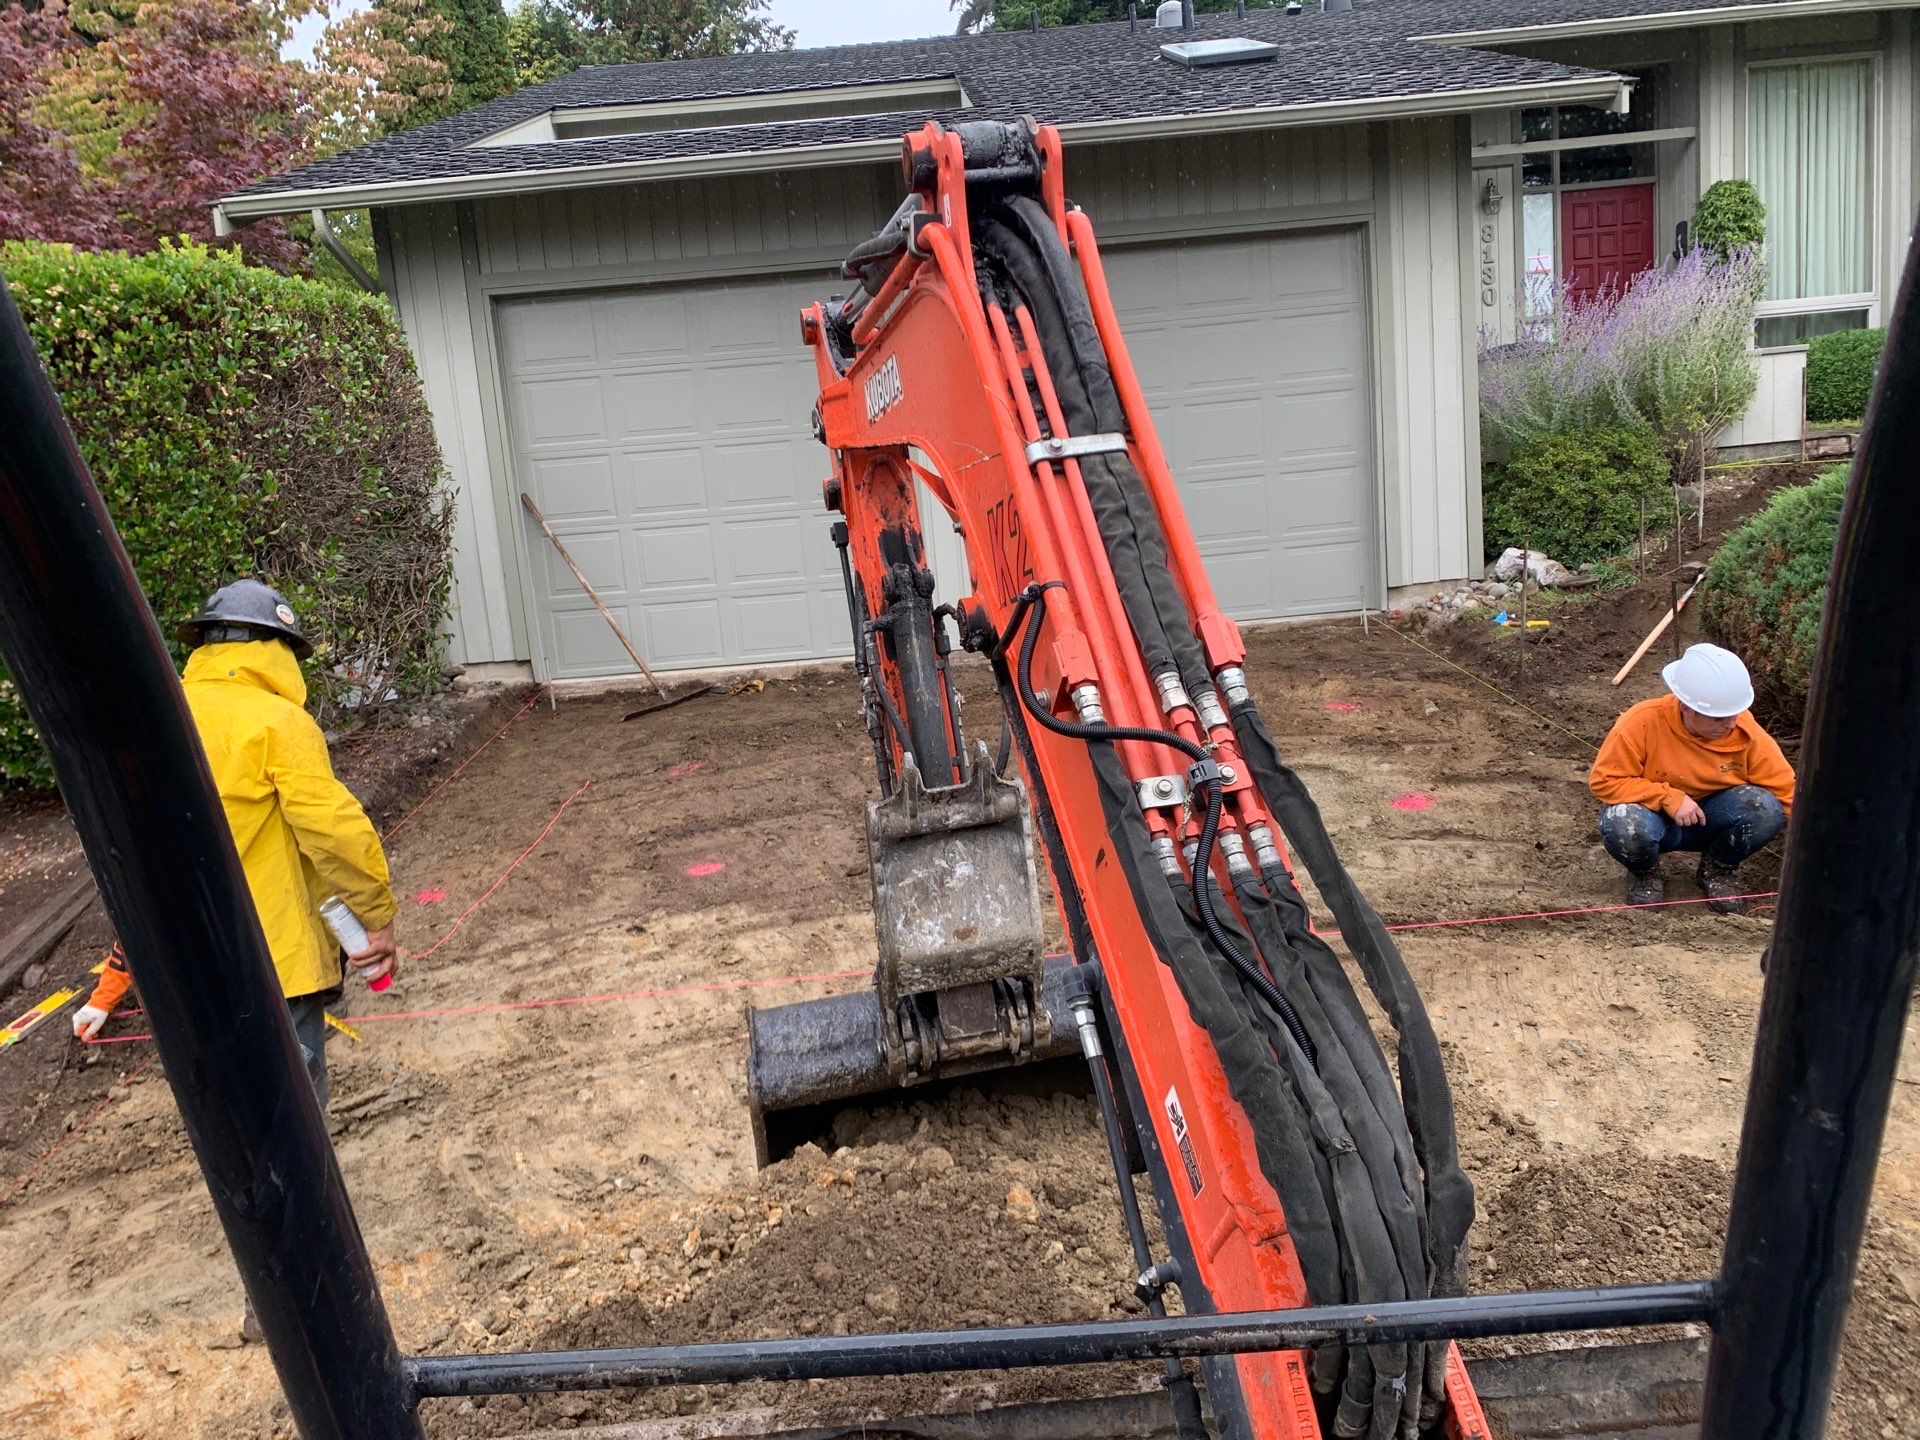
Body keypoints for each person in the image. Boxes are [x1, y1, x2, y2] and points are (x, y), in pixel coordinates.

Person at [71, 581, 398, 1108]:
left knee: (231, 1111)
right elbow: (335, 832)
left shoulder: (156, 715)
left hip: (185, 963)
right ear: (279, 651)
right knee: (291, 1116)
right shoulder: (278, 721)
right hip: (272, 962)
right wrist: (376, 916)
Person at [1590, 642, 1793, 914]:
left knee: (1765, 808)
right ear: (1686, 707)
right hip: (1652, 817)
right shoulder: (1642, 722)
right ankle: (1644, 873)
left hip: (1712, 818)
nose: (1730, 724)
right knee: (1622, 822)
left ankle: (1718, 869)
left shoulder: (1745, 731)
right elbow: (1604, 780)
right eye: (1718, 718)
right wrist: (1668, 797)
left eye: (1733, 714)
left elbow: (1786, 790)